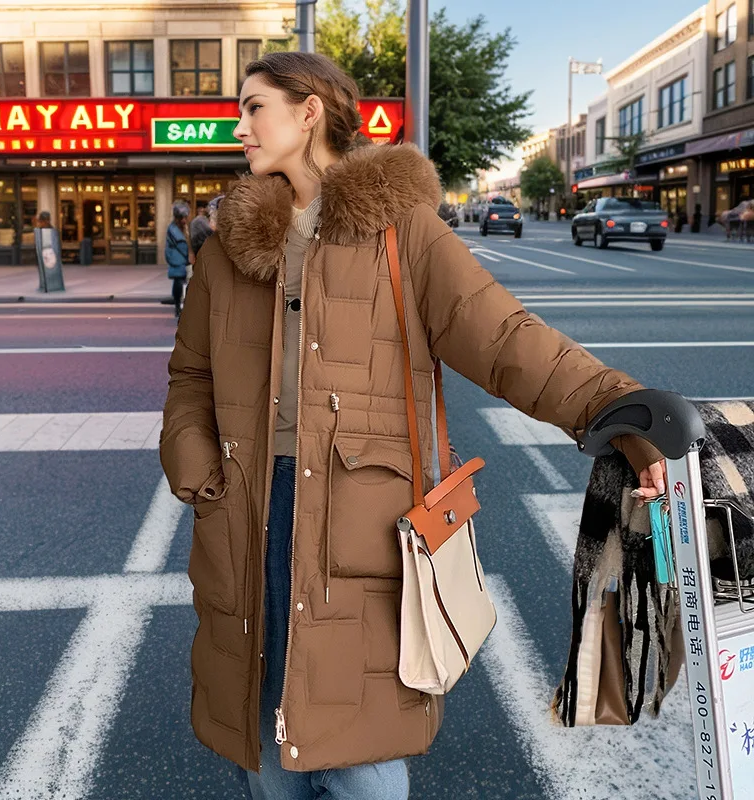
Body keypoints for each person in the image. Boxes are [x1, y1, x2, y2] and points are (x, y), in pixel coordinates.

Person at [160, 51, 666, 800]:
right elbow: (190, 376)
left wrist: (615, 407)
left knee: (362, 755)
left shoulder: (402, 232)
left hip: (362, 518)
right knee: (263, 730)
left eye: (252, 107)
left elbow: (505, 340)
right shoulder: (225, 250)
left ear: (308, 113)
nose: (238, 128)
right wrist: (200, 472)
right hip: (246, 511)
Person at [165, 201, 190, 318]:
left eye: (185, 217)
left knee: (184, 283)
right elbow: (182, 245)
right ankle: (177, 305)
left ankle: (181, 305)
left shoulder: (185, 228)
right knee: (179, 282)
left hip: (181, 258)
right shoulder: (173, 229)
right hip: (177, 259)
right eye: (182, 218)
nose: (185, 220)